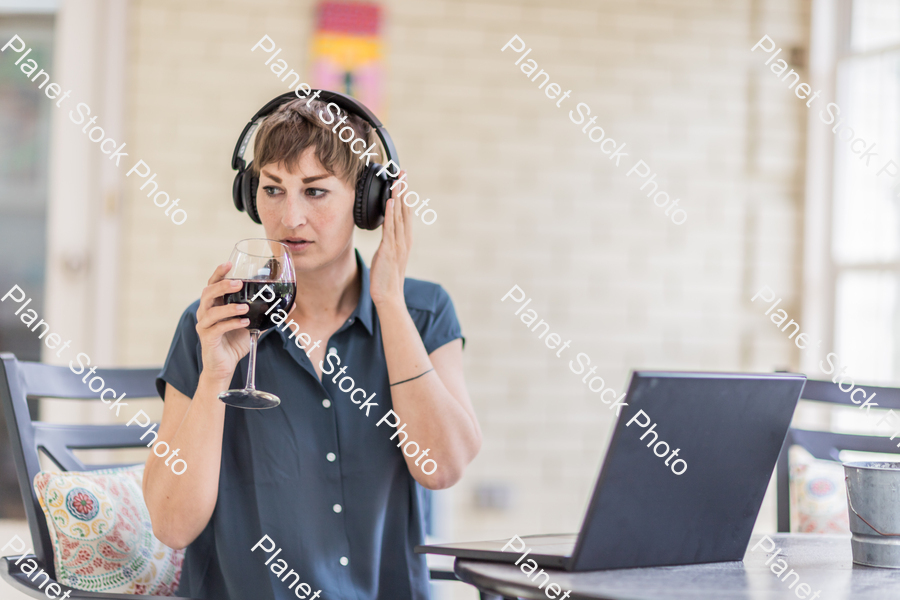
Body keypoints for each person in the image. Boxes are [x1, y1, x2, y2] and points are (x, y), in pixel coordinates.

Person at [141, 96, 482, 600]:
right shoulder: (210, 323)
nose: (290, 217)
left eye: (316, 192)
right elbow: (171, 525)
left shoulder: (424, 312)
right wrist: (215, 374)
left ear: (369, 203)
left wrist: (388, 300)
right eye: (272, 189)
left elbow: (442, 467)